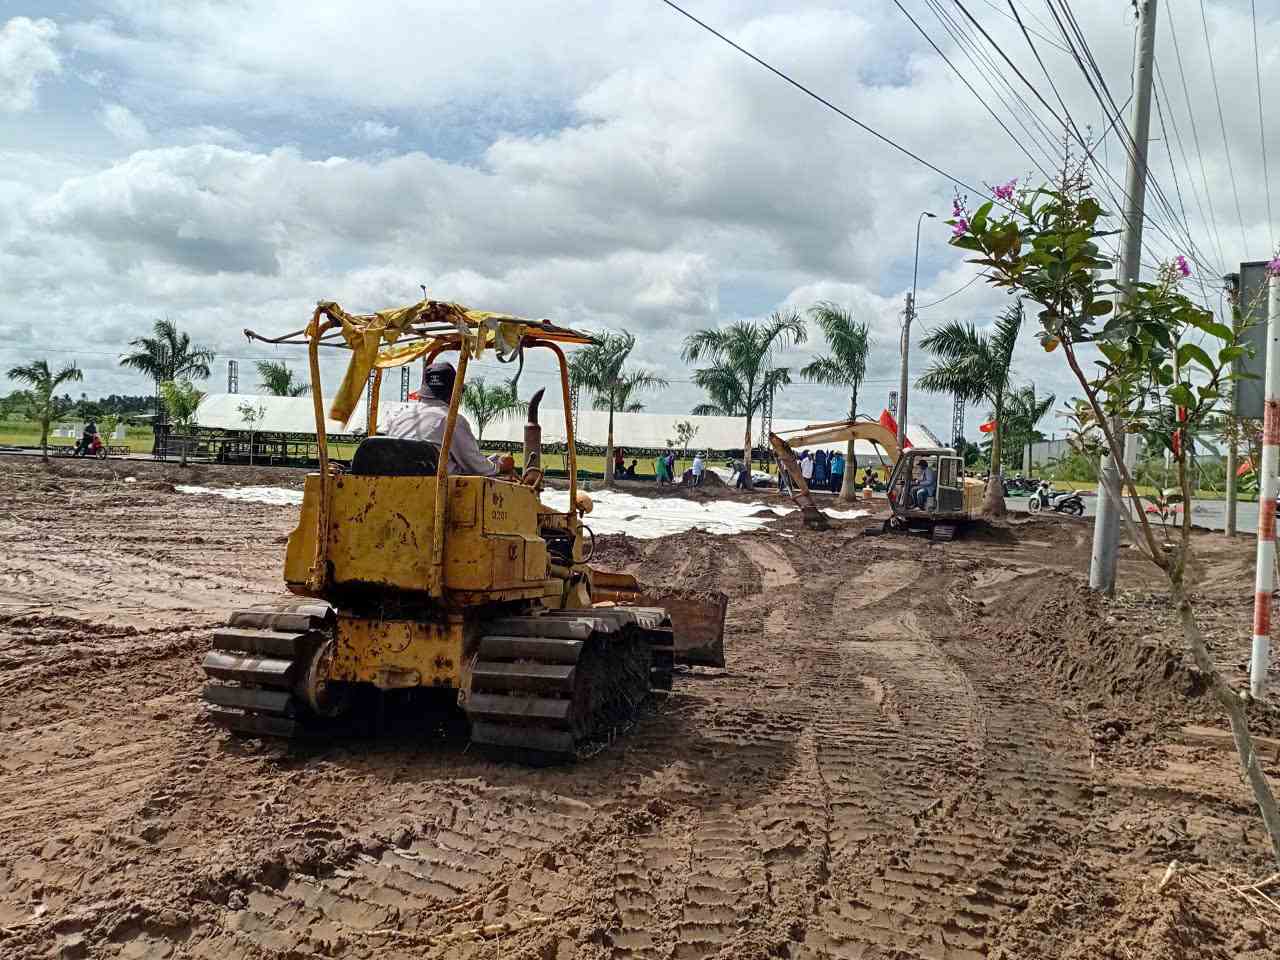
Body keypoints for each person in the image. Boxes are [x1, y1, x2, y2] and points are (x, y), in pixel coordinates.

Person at [382, 361, 507, 476]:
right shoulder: (452, 421)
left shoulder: (398, 416)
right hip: (438, 493)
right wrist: (501, 465)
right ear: (454, 393)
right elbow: (479, 468)